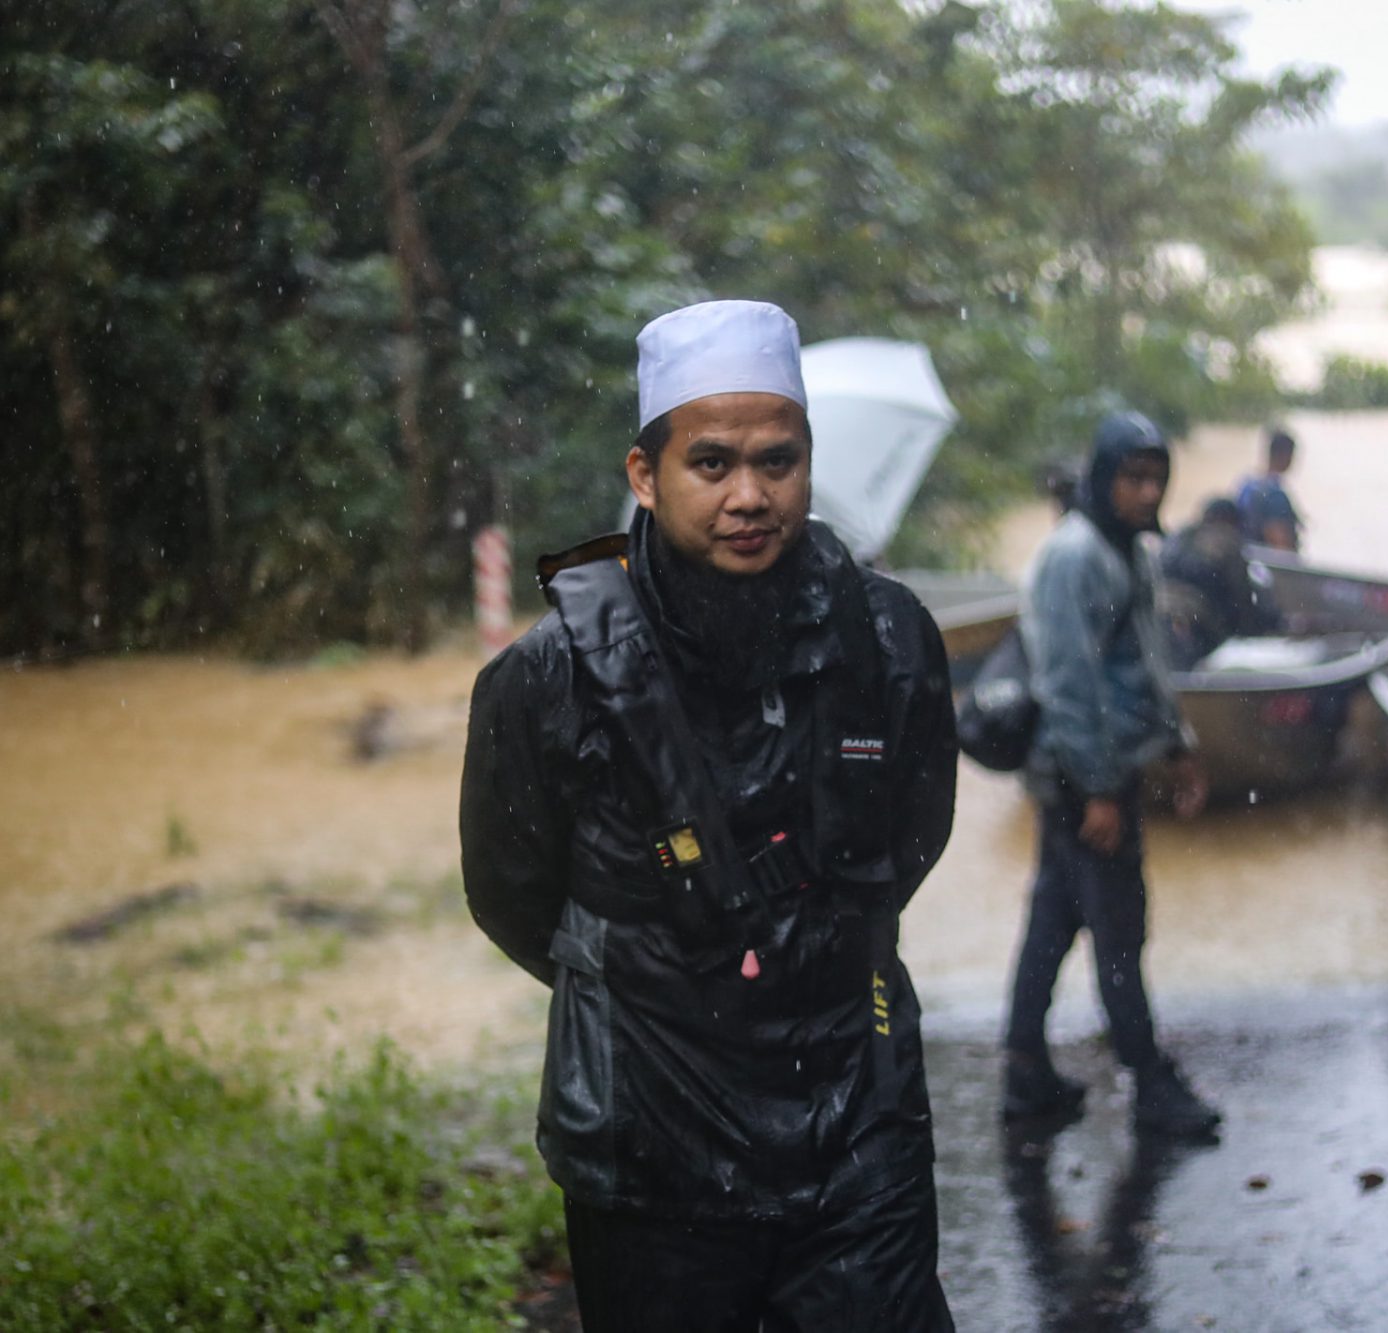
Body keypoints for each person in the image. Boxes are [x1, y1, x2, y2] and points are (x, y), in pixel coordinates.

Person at [460, 299, 959, 1331]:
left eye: (778, 461)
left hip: (858, 1125)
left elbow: (912, 837)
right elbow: (511, 893)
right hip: (651, 1151)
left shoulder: (890, 639)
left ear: (809, 462)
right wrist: (663, 980)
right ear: (645, 475)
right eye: (713, 462)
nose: (749, 495)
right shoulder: (548, 678)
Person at [1003, 409, 1221, 1139]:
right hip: (1077, 775)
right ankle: (1150, 1084)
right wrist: (1097, 790)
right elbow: (1071, 684)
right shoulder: (1075, 557)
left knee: (1053, 924)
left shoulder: (1127, 549)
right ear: (1102, 478)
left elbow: (1146, 663)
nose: (1146, 492)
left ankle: (1025, 1071)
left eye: (1156, 478)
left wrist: (1180, 745)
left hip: (1102, 770)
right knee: (1119, 929)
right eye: (1132, 477)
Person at [1159, 496, 1284, 669]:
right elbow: (1242, 601)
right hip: (1197, 626)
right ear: (1233, 521)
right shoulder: (1228, 542)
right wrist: (1263, 630)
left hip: (1158, 617)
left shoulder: (1176, 537)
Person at [1236, 425, 1303, 553]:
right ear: (1286, 455)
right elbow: (1280, 542)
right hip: (1268, 565)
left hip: (1246, 559)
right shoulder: (1275, 494)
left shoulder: (1246, 484)